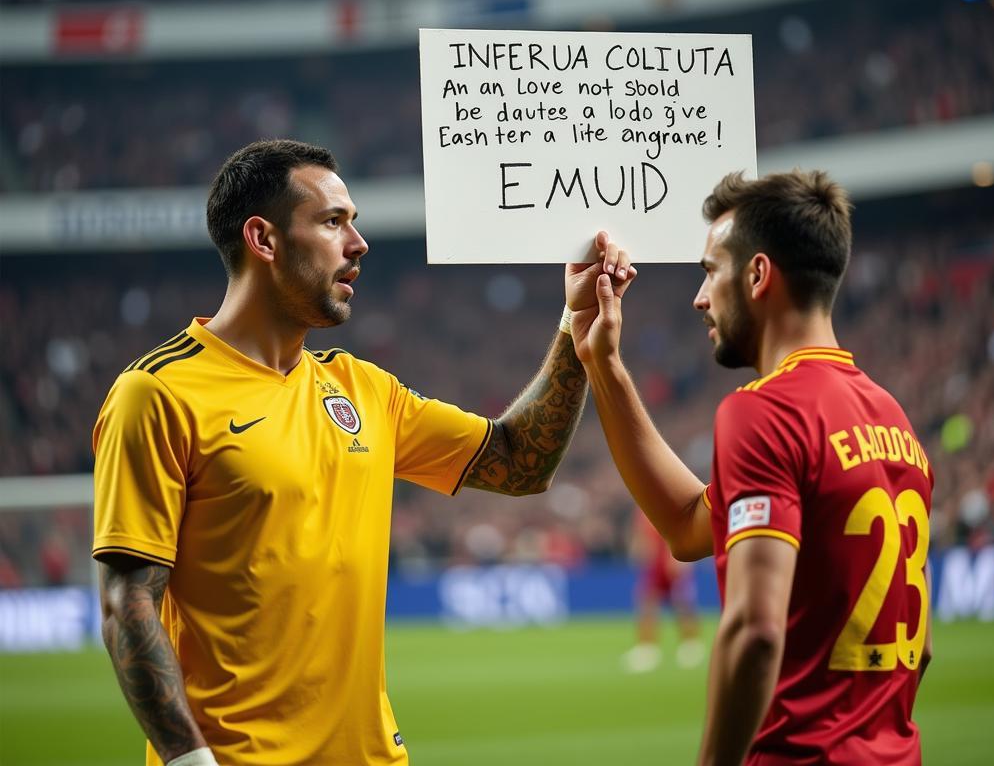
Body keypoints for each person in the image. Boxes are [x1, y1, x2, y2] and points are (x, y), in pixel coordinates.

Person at [92, 139, 636, 766]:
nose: (359, 244)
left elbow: (519, 461)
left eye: (354, 222)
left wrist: (576, 326)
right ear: (263, 240)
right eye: (332, 222)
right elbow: (128, 603)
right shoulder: (156, 394)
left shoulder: (362, 388)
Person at [570, 170, 933, 766]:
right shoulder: (893, 420)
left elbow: (756, 632)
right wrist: (602, 364)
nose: (699, 296)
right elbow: (689, 528)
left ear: (759, 275)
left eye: (712, 271)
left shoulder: (765, 412)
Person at [622, 507, 703, 672]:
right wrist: (639, 552)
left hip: (672, 559)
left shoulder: (665, 504)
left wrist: (681, 562)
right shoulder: (642, 511)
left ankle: (690, 645)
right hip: (654, 564)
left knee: (682, 604)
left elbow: (681, 531)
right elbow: (641, 536)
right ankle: (647, 648)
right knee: (647, 603)